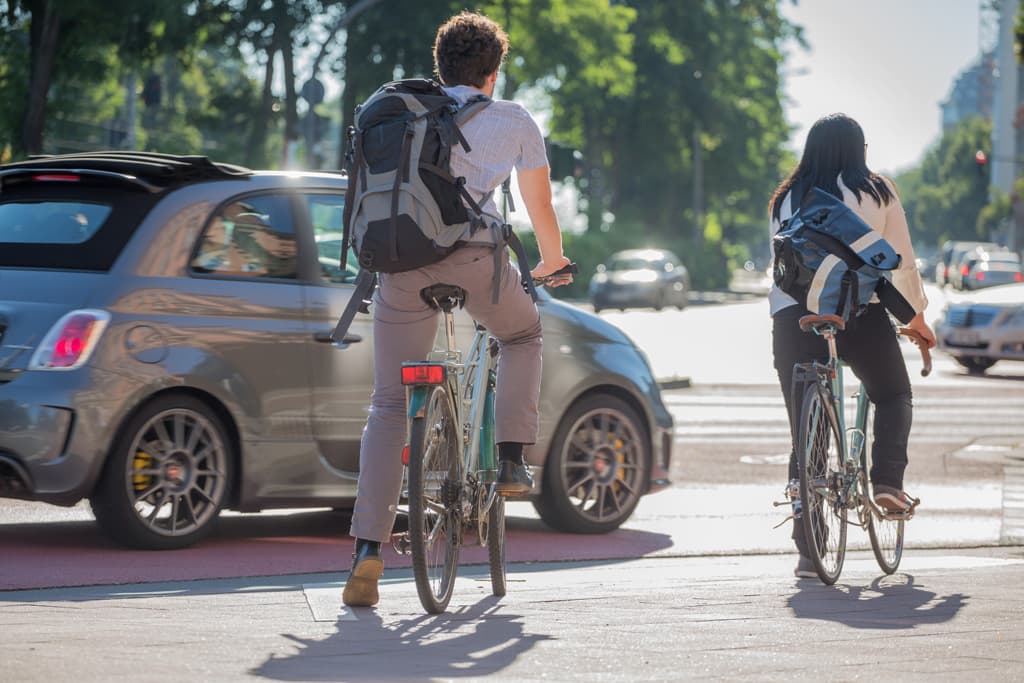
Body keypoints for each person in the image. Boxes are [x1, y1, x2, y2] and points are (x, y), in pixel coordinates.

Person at [342, 10, 572, 607]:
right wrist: (551, 263)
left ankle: (367, 550)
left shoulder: (402, 112)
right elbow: (540, 207)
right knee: (522, 337)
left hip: (399, 264)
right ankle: (513, 459)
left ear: (439, 64)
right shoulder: (513, 119)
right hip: (477, 260)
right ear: (492, 74)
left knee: (389, 402)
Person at [767, 113, 936, 579]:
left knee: (806, 429)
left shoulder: (785, 198)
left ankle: (809, 550)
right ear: (859, 150)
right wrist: (917, 317)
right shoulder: (876, 191)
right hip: (856, 313)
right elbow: (902, 263)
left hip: (794, 316)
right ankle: (886, 483)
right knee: (892, 393)